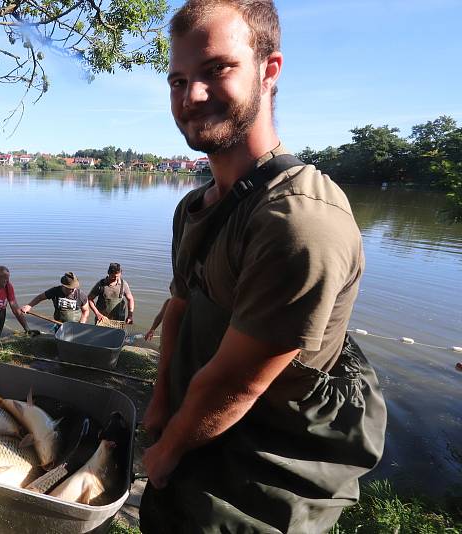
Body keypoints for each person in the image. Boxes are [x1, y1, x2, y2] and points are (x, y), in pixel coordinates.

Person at [139, 2, 386, 532]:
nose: (191, 96)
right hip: (188, 448)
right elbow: (180, 307)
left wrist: (164, 453)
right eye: (178, 80)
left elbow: (238, 384)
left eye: (216, 70)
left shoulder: (299, 221)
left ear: (269, 70)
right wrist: (160, 403)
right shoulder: (195, 208)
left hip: (258, 491)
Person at [20, 272, 90, 323]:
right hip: (58, 322)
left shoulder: (81, 295)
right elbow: (40, 297)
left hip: (75, 324)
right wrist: (29, 306)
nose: (73, 290)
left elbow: (85, 311)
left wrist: (82, 323)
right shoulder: (55, 291)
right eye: (70, 288)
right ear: (64, 286)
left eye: (74, 288)